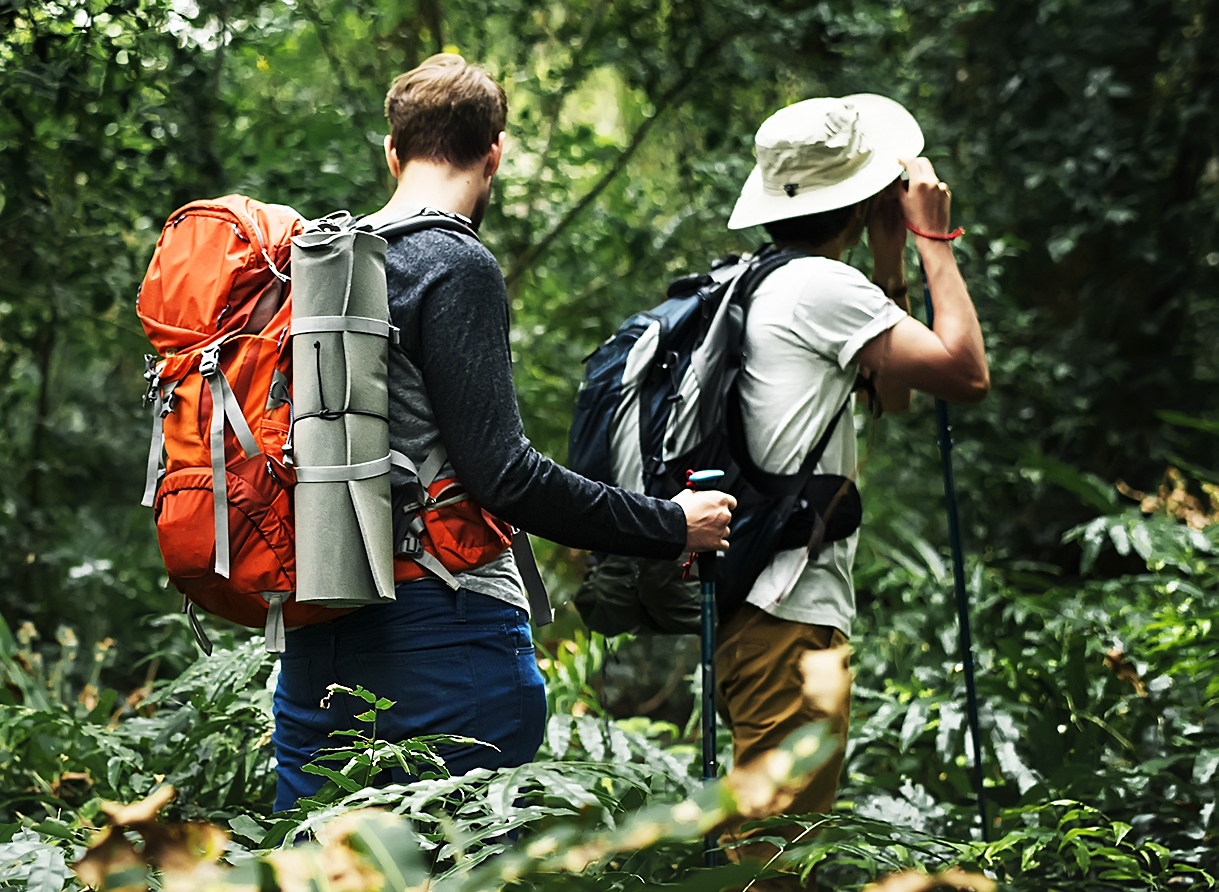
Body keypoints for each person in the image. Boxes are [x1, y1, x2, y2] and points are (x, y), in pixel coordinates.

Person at [271, 54, 736, 811]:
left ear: (392, 151)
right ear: (495, 152)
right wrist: (669, 526)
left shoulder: (323, 260)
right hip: (445, 631)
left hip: (315, 624)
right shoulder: (454, 264)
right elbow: (506, 476)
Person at [718, 94, 988, 820]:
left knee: (773, 857)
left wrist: (889, 257)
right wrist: (934, 238)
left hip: (765, 610)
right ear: (860, 196)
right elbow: (965, 372)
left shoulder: (769, 280)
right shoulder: (819, 286)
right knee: (770, 868)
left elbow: (890, 397)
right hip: (788, 614)